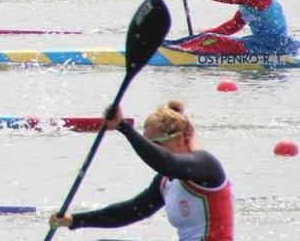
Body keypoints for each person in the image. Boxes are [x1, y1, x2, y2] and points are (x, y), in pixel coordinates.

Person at [49, 100, 233, 240]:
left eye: (155, 145)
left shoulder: (206, 165)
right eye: (148, 145)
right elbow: (132, 211)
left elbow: (165, 162)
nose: (150, 150)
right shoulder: (165, 181)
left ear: (179, 139)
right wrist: (74, 220)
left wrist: (123, 127)